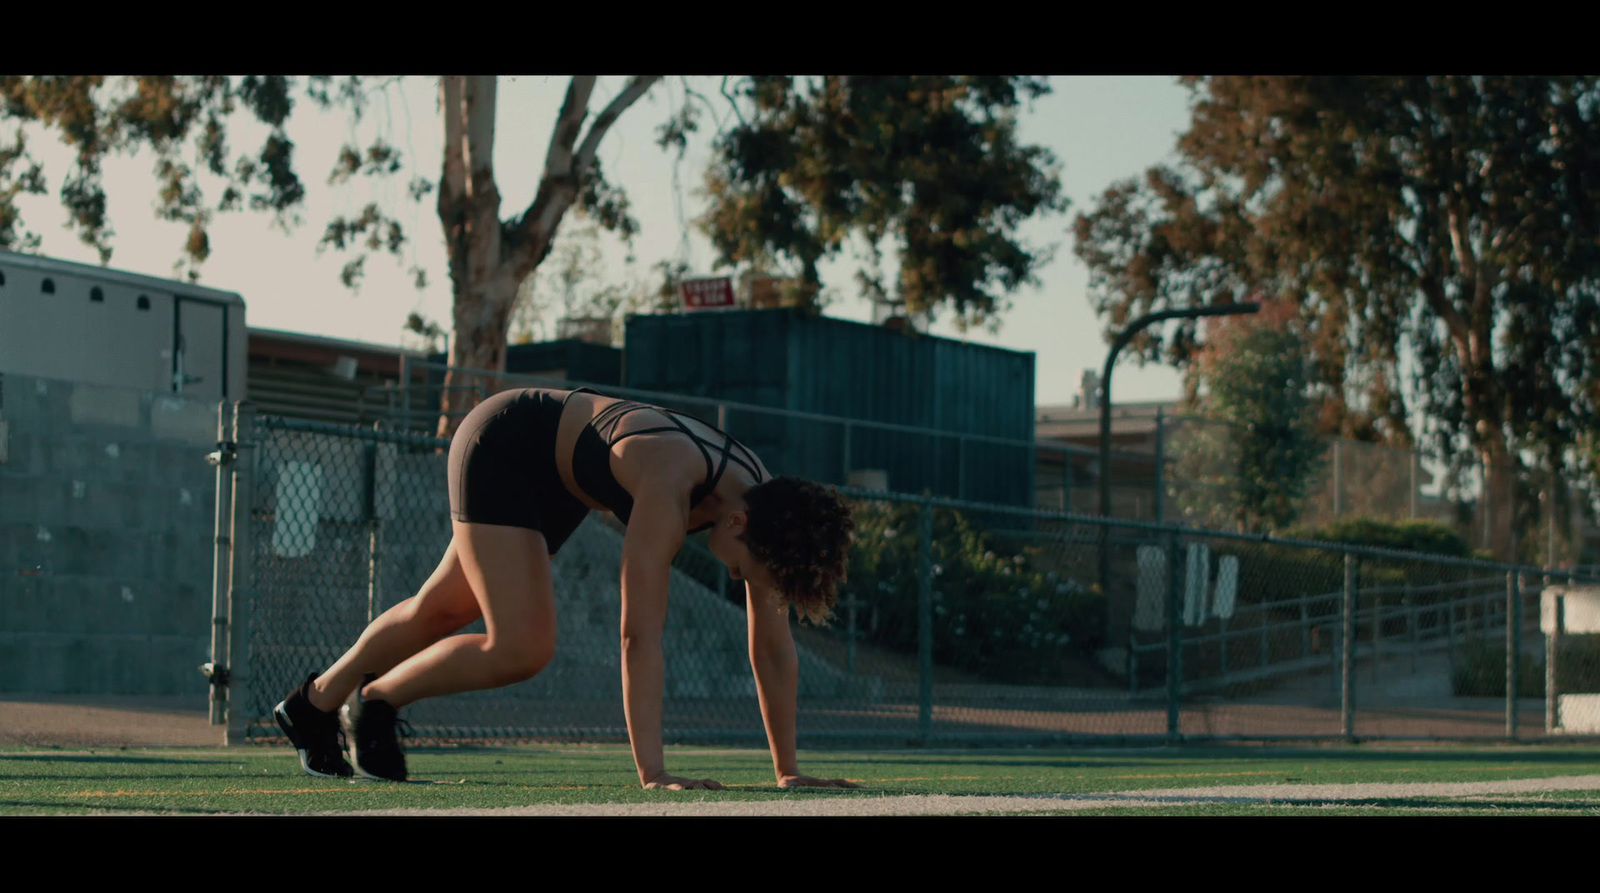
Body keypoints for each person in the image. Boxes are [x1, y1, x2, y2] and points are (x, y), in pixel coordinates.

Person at [272, 386, 860, 791]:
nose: (740, 581)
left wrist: (788, 769)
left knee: (441, 609)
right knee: (522, 646)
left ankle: (317, 705)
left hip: (561, 478)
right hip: (505, 444)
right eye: (747, 573)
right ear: (737, 524)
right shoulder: (669, 483)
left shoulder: (763, 507)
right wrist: (653, 772)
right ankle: (371, 703)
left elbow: (774, 651)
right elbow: (637, 636)